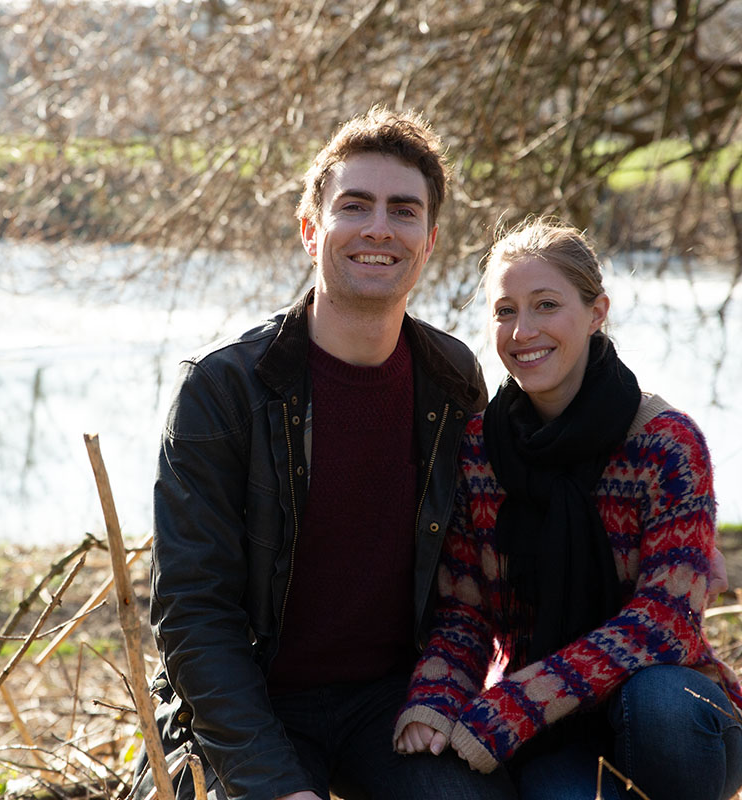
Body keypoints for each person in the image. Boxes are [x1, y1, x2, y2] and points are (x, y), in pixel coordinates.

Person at [143, 106, 517, 800]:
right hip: (250, 707)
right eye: (356, 206)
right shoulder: (224, 388)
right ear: (311, 229)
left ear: (428, 241)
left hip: (392, 704)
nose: (380, 227)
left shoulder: (452, 379)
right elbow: (193, 614)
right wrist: (275, 784)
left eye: (403, 212)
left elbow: (474, 566)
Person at [394, 217, 742, 800]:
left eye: (546, 305)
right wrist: (434, 700)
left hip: (679, 719)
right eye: (505, 311)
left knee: (656, 702)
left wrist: (515, 702)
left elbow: (667, 621)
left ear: (597, 311)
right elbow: (466, 611)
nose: (523, 330)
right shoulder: (479, 449)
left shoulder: (665, 444)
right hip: (559, 733)